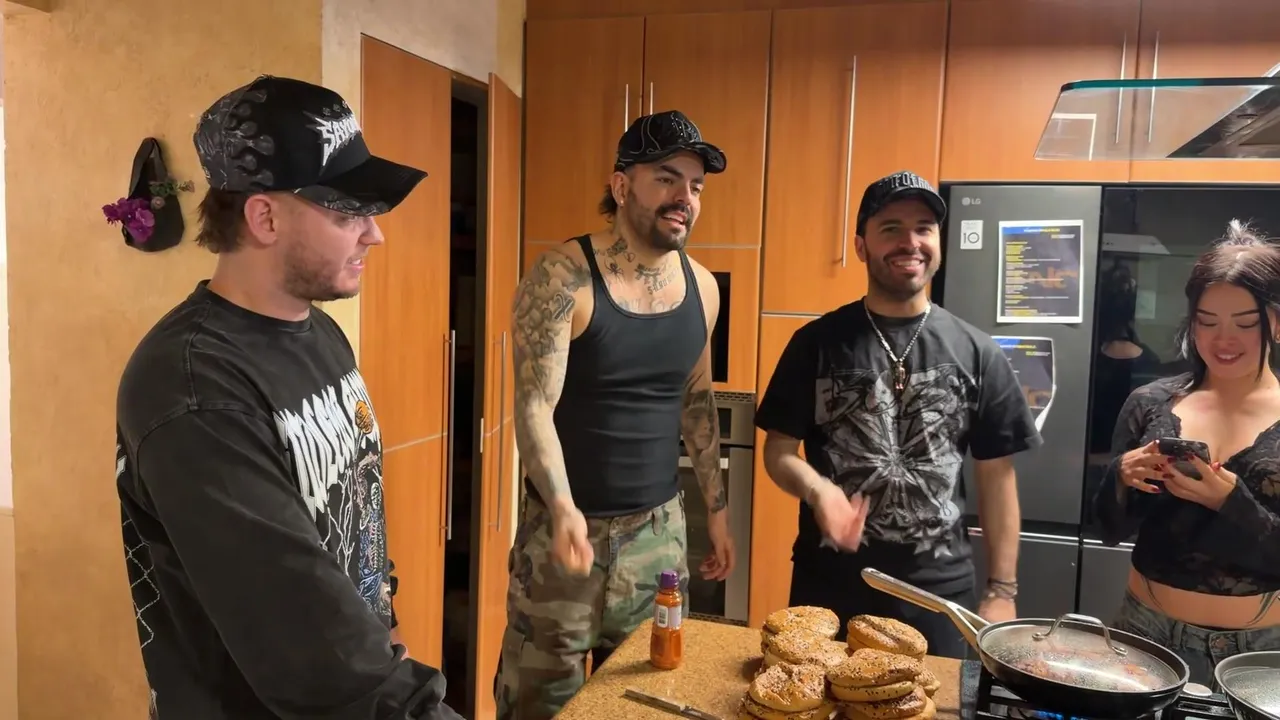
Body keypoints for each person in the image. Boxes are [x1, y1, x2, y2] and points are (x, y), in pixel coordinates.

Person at [116, 75, 462, 719]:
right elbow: (311, 652)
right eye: (347, 213)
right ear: (264, 217)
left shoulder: (321, 334)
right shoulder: (195, 388)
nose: (374, 235)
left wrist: (384, 626)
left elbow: (356, 512)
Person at [495, 110, 736, 720]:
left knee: (645, 700)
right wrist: (562, 507)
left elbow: (696, 400)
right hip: (563, 537)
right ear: (622, 185)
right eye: (667, 178)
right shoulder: (562, 276)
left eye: (696, 185)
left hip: (659, 537)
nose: (685, 197)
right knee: (539, 705)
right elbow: (533, 405)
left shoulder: (704, 289)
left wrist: (716, 510)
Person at [755, 171, 1042, 659]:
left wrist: (1002, 590)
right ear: (861, 246)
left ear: (938, 242)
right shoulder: (815, 344)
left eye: (923, 228)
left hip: (939, 597)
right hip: (829, 587)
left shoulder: (979, 353)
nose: (910, 242)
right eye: (891, 228)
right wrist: (819, 490)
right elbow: (778, 451)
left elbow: (997, 476)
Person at [1095, 220, 1280, 686]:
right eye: (1207, 322)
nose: (1223, 340)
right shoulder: (1150, 403)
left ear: (1277, 322)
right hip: (1144, 631)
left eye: (1245, 323)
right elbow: (1109, 530)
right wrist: (1122, 476)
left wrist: (1231, 503)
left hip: (1260, 650)